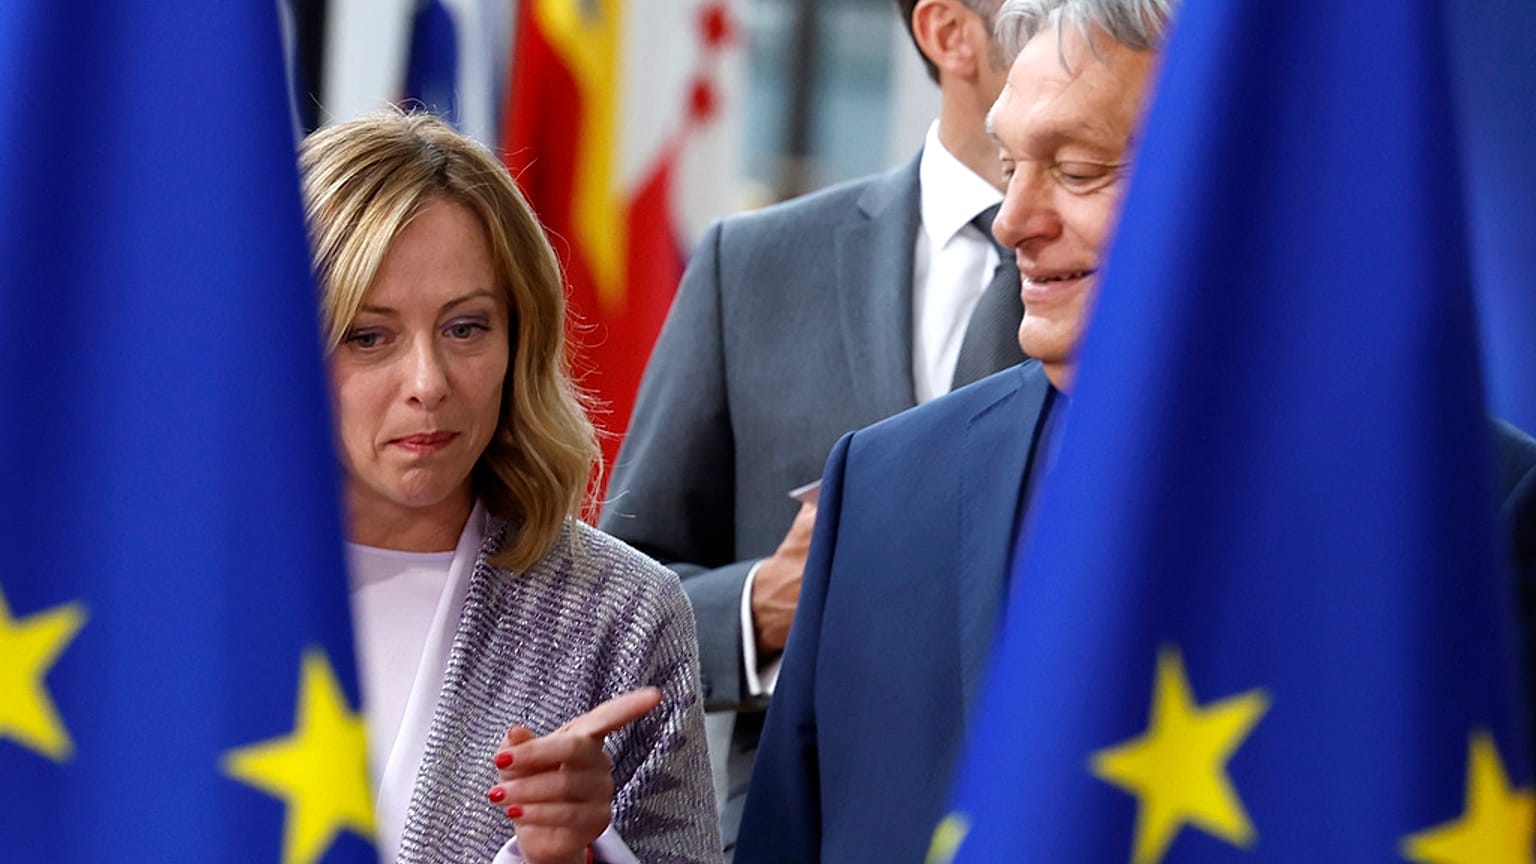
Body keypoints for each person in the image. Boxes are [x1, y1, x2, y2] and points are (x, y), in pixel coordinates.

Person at [733, 0, 1536, 862]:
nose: (1013, 220)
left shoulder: (1476, 506)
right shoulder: (884, 490)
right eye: (1011, 164)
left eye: (1077, 169)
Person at [597, 1, 1022, 854]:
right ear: (949, 32)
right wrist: (764, 604)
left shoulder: (1150, 275)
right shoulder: (752, 267)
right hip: (805, 825)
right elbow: (616, 598)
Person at [298, 112, 721, 864]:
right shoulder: (170, 586)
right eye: (370, 336)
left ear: (520, 341)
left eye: (466, 328)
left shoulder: (617, 614)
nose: (428, 384)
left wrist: (576, 853)